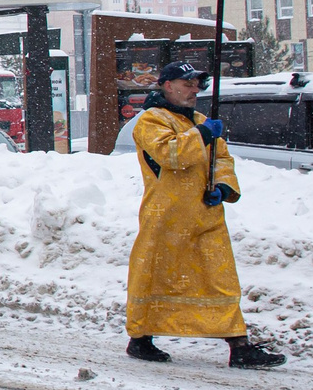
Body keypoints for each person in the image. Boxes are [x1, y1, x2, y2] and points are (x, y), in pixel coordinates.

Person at [124, 60, 289, 371]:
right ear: (167, 85)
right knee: (157, 278)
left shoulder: (200, 120)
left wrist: (223, 186)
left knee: (220, 278)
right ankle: (141, 338)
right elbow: (171, 155)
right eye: (186, 84)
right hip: (167, 219)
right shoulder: (151, 120)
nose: (194, 90)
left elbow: (222, 158)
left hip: (206, 215)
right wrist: (200, 135)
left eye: (196, 85)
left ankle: (239, 345)